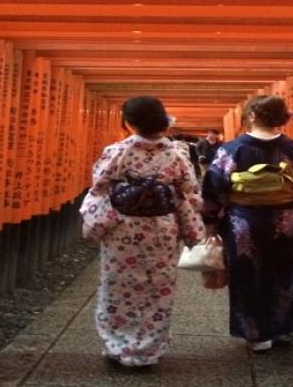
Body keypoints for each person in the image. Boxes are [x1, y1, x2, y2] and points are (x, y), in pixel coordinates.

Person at [79, 96, 205, 368]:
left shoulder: (117, 151)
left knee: (117, 286)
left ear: (128, 122)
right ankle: (149, 350)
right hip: (162, 228)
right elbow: (191, 191)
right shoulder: (176, 153)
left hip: (123, 227)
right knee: (158, 288)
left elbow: (99, 186)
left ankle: (118, 346)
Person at [201, 95, 293, 352]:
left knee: (246, 272)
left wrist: (211, 222)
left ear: (250, 116)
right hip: (285, 220)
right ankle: (280, 327)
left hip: (242, 221)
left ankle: (256, 334)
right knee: (282, 271)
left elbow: (213, 187)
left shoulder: (231, 150)